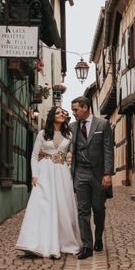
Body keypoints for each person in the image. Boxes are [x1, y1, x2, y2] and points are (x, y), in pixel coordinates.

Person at [15, 106, 82, 258]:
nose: (62, 114)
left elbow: (75, 153)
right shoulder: (43, 134)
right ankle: (37, 242)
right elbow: (33, 155)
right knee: (43, 205)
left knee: (62, 205)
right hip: (44, 172)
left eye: (63, 113)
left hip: (62, 172)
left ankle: (63, 241)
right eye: (58, 113)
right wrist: (34, 175)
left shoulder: (69, 134)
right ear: (52, 116)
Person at [68, 96, 115, 260]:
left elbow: (108, 150)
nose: (73, 113)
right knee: (82, 210)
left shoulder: (102, 124)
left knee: (98, 209)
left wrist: (108, 173)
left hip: (98, 174)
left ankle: (99, 237)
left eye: (75, 109)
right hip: (80, 173)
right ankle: (87, 246)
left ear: (85, 108)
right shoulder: (72, 127)